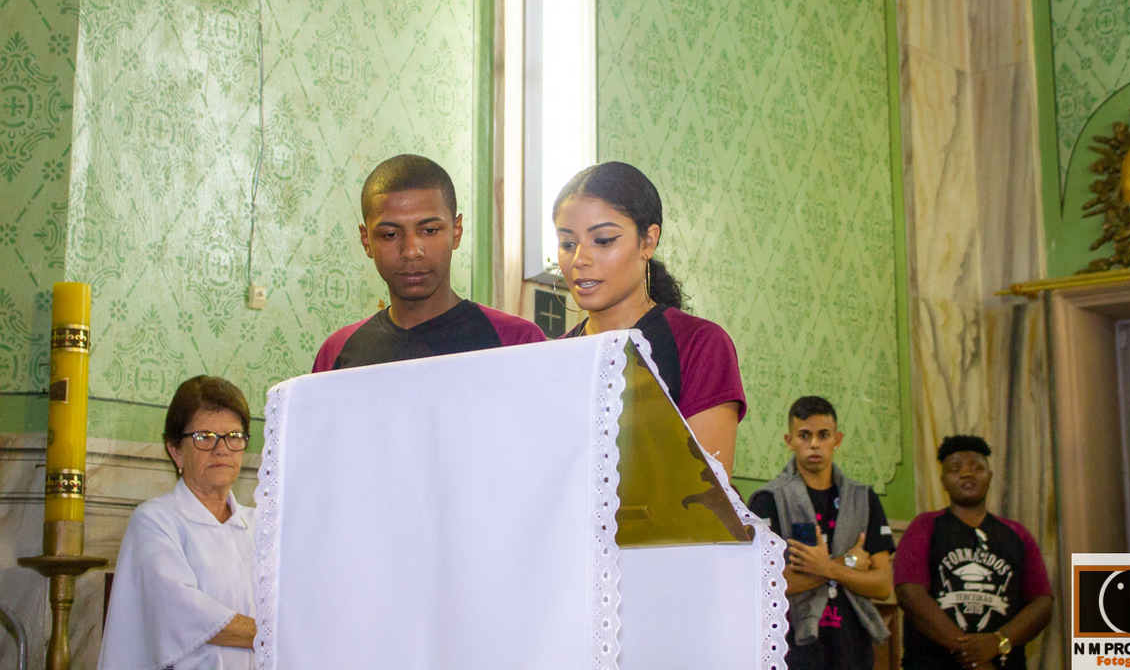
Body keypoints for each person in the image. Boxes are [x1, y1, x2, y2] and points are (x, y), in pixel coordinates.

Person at [552, 161, 745, 477]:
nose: (579, 260)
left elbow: (706, 495)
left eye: (603, 240)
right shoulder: (554, 357)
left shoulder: (699, 345)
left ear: (648, 241)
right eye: (567, 244)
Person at [314, 154, 544, 371]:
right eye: (390, 235)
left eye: (429, 230)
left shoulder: (518, 343)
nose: (411, 251)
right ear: (366, 241)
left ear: (456, 232)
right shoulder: (336, 353)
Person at [99, 376, 257, 670]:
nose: (222, 449)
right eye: (205, 436)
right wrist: (272, 635)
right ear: (175, 450)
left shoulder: (262, 526)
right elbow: (182, 613)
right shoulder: (155, 521)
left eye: (234, 436)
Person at [747, 396, 894, 670]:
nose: (814, 444)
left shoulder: (864, 498)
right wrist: (846, 564)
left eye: (823, 435)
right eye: (804, 435)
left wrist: (823, 568)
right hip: (793, 646)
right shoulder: (767, 499)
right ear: (789, 440)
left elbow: (883, 585)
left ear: (837, 439)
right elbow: (767, 584)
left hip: (853, 645)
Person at [894, 435, 1053, 670]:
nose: (967, 474)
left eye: (977, 467)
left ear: (990, 476)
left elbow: (1042, 603)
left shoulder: (1017, 534)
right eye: (955, 468)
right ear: (943, 481)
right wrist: (972, 655)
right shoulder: (925, 526)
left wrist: (997, 642)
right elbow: (910, 592)